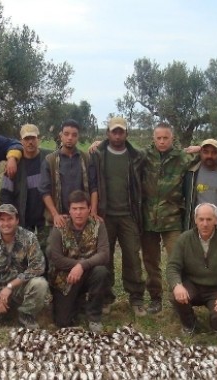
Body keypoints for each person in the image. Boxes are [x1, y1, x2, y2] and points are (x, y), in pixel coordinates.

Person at [90, 117, 146, 316]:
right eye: (114, 131)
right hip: (105, 216)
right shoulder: (97, 154)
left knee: (132, 257)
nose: (117, 135)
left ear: (126, 134)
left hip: (128, 215)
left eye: (121, 132)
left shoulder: (137, 156)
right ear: (108, 133)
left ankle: (137, 298)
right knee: (105, 259)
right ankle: (106, 298)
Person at [166, 203, 217, 336]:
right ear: (195, 220)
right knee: (177, 297)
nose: (205, 224)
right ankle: (189, 324)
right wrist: (177, 285)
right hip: (192, 285)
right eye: (201, 219)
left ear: (216, 220)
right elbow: (172, 266)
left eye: (209, 219)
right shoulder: (184, 239)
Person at [140, 122, 196, 314]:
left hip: (173, 219)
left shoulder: (183, 158)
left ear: (172, 138)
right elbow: (120, 150)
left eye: (166, 138)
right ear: (153, 138)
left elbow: (210, 158)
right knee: (150, 262)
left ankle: (178, 298)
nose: (162, 141)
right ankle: (155, 298)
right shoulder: (144, 156)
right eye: (158, 138)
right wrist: (99, 144)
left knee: (177, 260)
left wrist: (202, 147)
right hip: (148, 219)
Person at [47, 190, 110, 332]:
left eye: (82, 208)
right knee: (62, 322)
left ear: (89, 209)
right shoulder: (59, 226)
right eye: (74, 209)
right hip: (65, 278)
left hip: (89, 273)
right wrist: (77, 266)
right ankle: (77, 302)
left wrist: (82, 266)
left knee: (101, 271)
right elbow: (56, 258)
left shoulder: (98, 225)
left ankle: (94, 316)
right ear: (69, 210)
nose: (78, 213)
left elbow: (104, 254)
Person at [0, 123, 51, 249]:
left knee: (47, 252)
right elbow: (5, 194)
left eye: (33, 138)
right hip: (23, 218)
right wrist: (10, 217)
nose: (30, 142)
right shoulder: (14, 163)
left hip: (45, 218)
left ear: (38, 139)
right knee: (24, 254)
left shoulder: (50, 158)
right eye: (26, 139)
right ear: (21, 141)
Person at [39, 119, 98, 228]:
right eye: (66, 134)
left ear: (78, 137)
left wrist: (93, 211)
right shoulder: (50, 160)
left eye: (74, 135)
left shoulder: (86, 158)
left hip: (83, 219)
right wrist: (55, 215)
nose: (70, 138)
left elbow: (93, 187)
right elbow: (44, 191)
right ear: (61, 135)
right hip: (59, 219)